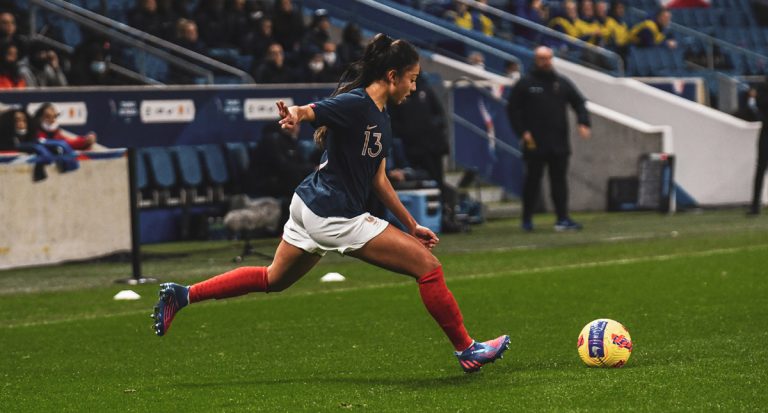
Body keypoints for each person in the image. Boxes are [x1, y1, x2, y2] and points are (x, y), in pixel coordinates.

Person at [151, 33, 510, 374]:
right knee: (428, 268)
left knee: (273, 279)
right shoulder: (357, 104)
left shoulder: (381, 114)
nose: (414, 88)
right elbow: (310, 110)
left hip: (308, 204)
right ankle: (467, 348)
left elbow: (378, 178)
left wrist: (410, 224)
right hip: (334, 213)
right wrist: (295, 114)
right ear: (392, 75)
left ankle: (183, 295)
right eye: (412, 80)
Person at [506, 46, 591, 232]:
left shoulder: (560, 83)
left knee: (559, 181)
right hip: (535, 142)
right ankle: (527, 218)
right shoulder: (526, 83)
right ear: (536, 60)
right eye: (542, 58)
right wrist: (522, 132)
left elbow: (579, 102)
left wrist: (583, 122)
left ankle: (562, 218)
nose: (546, 62)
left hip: (558, 141)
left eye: (549, 58)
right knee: (532, 181)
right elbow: (513, 110)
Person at [32, 102, 97, 150]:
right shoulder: (35, 133)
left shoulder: (57, 134)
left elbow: (69, 142)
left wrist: (86, 140)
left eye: (55, 116)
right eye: (48, 116)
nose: (52, 120)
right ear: (41, 118)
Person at [749, 81, 768, 215]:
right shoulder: (763, 86)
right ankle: (755, 206)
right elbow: (760, 104)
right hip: (766, 131)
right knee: (761, 167)